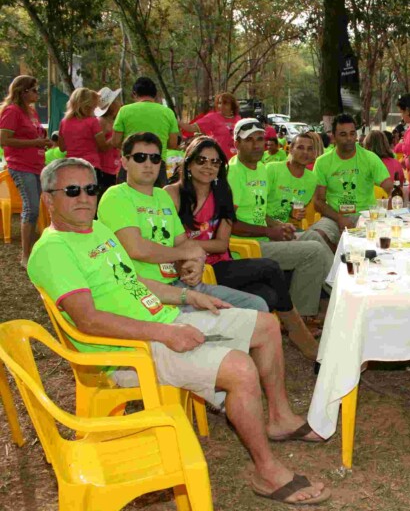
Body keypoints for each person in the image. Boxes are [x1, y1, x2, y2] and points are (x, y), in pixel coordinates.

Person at [28, 157, 331, 505]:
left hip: (164, 321)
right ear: (49, 199)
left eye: (90, 189)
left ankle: (278, 418)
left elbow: (133, 281)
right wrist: (165, 334)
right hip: (128, 352)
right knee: (239, 368)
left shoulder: (96, 230)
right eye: (72, 191)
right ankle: (266, 471)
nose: (84, 198)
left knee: (265, 324)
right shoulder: (53, 250)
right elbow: (90, 321)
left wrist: (190, 296)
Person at [164, 137, 319, 359]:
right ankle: (298, 335)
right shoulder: (172, 194)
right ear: (188, 163)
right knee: (271, 268)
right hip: (192, 270)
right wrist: (189, 251)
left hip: (219, 264)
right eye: (202, 160)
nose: (208, 166)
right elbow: (168, 242)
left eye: (215, 162)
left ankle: (242, 353)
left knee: (267, 296)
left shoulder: (222, 194)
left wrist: (190, 245)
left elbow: (221, 244)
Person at [98, 132, 267, 313]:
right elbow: (137, 249)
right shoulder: (117, 196)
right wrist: (183, 253)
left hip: (180, 283)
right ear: (124, 162)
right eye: (140, 158)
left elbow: (182, 242)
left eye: (155, 158)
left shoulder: (162, 196)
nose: (148, 164)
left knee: (257, 305)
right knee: (238, 317)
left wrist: (196, 261)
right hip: (146, 292)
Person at [227, 118, 333, 340]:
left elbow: (258, 211)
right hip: (244, 246)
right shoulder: (234, 172)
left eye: (260, 139)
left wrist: (277, 225)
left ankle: (335, 297)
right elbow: (230, 223)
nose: (257, 145)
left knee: (314, 235)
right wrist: (269, 231)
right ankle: (298, 318)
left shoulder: (259, 170)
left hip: (264, 237)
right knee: (312, 251)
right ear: (236, 143)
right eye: (250, 140)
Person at [311, 114, 392, 248]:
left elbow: (388, 185)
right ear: (334, 137)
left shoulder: (369, 158)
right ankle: (337, 264)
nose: (349, 138)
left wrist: (392, 189)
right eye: (343, 134)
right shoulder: (322, 162)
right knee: (318, 236)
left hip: (365, 215)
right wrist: (339, 218)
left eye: (352, 133)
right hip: (334, 216)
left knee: (380, 236)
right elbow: (318, 202)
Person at [0, 75, 49, 266]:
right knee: (31, 208)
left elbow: (34, 135)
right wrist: (34, 142)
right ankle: (25, 256)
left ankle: (32, 253)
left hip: (36, 164)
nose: (38, 93)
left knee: (35, 208)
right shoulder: (12, 112)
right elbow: (3, 139)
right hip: (20, 166)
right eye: (35, 90)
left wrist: (42, 141)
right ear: (23, 91)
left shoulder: (31, 112)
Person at [111, 77, 179, 153]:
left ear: (134, 94)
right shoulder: (168, 113)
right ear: (155, 94)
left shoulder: (124, 111)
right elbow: (172, 145)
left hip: (131, 161)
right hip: (157, 161)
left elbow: (115, 142)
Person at [58, 88, 109, 188]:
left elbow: (62, 147)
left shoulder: (64, 122)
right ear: (88, 106)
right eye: (94, 107)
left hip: (71, 165)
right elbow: (103, 146)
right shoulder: (92, 122)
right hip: (90, 165)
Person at [267, 133, 318, 227]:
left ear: (314, 154)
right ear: (290, 150)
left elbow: (297, 206)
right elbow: (255, 207)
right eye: (300, 148)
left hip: (285, 229)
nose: (305, 152)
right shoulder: (272, 169)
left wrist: (294, 213)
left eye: (309, 149)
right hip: (263, 227)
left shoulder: (312, 179)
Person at [179, 92, 241, 159]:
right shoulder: (212, 117)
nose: (221, 106)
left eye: (225, 103)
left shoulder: (238, 118)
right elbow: (191, 128)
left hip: (237, 157)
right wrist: (177, 122)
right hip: (219, 157)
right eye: (219, 103)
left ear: (232, 105)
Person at [94, 87, 122, 191]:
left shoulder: (112, 121)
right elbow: (100, 146)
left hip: (114, 166)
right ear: (112, 106)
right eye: (116, 101)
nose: (119, 103)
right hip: (105, 167)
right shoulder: (101, 122)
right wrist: (114, 139)